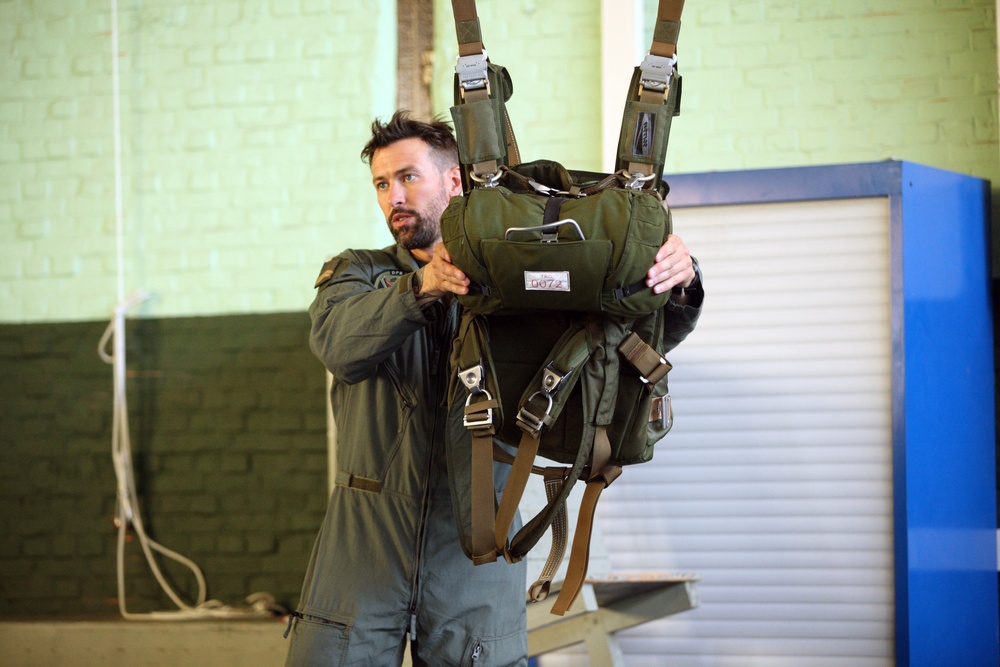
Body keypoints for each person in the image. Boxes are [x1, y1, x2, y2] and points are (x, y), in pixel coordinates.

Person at [284, 110, 703, 667]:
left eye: (409, 177)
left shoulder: (514, 283)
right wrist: (423, 286)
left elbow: (624, 341)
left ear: (454, 182)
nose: (393, 197)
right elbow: (341, 347)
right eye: (382, 184)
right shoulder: (358, 273)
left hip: (478, 552)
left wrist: (677, 278)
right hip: (362, 553)